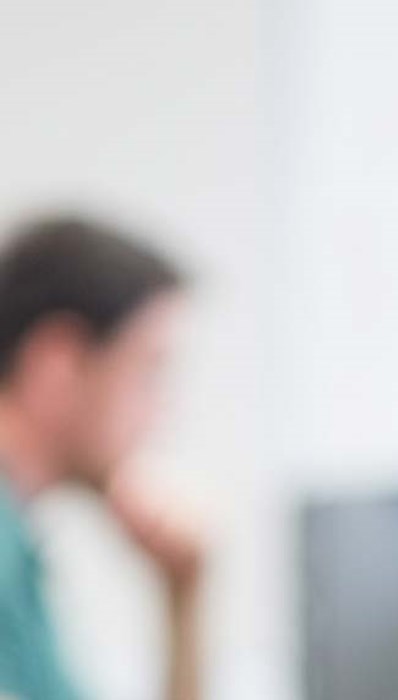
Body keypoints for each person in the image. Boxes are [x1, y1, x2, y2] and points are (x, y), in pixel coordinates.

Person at [0, 215, 202, 700]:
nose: (159, 416)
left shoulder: (19, 555)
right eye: (147, 370)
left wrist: (183, 597)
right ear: (60, 363)